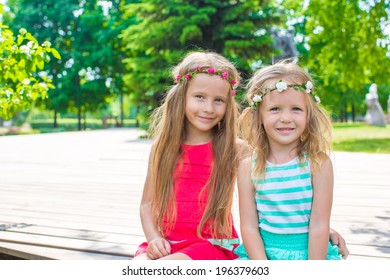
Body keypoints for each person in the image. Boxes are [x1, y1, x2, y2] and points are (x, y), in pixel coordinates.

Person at [133, 51, 242, 260]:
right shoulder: (163, 148)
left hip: (210, 246)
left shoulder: (234, 149)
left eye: (218, 100)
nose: (208, 108)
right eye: (200, 97)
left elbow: (275, 180)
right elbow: (147, 204)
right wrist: (154, 238)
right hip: (166, 243)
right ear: (182, 97)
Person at [235, 61, 344, 260]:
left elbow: (319, 225)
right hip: (262, 255)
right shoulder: (247, 167)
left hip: (309, 253)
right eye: (275, 109)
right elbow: (249, 227)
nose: (286, 118)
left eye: (296, 109)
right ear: (259, 115)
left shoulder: (318, 164)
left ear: (308, 114)